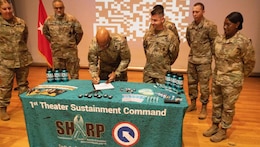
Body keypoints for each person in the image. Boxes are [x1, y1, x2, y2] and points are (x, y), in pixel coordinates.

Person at [203, 12, 255, 142]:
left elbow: (250, 62)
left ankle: (223, 130)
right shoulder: (219, 39)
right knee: (216, 104)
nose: (225, 27)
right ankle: (215, 125)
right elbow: (216, 57)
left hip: (232, 82)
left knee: (228, 107)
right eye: (224, 24)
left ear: (237, 25)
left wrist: (239, 77)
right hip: (217, 78)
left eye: (228, 24)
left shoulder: (243, 41)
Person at [0, 0, 33, 121]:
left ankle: (26, 106)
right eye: (4, 9)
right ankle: (2, 108)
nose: (8, 11)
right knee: (5, 86)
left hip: (22, 59)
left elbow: (25, 37)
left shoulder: (21, 22)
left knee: (23, 85)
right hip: (5, 62)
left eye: (9, 8)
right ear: (0, 10)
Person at [185, 2, 218, 119]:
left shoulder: (210, 26)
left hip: (204, 61)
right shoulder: (190, 27)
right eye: (193, 12)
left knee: (204, 86)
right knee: (191, 83)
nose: (194, 14)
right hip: (192, 59)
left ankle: (204, 107)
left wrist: (213, 57)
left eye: (197, 12)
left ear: (203, 12)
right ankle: (193, 103)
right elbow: (189, 41)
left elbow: (215, 43)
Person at [43, 0, 83, 79]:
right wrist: (55, 43)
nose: (59, 10)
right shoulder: (48, 21)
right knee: (59, 77)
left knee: (74, 77)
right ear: (53, 8)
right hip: (57, 54)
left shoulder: (71, 19)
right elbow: (46, 33)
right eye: (56, 8)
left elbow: (79, 33)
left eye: (60, 8)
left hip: (71, 53)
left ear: (64, 8)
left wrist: (72, 43)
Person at [143, 6, 179, 84]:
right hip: (148, 73)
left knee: (163, 95)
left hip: (163, 74)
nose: (152, 23)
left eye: (155, 20)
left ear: (162, 20)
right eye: (151, 20)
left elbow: (174, 55)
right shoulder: (148, 34)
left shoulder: (170, 36)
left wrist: (163, 63)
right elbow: (145, 49)